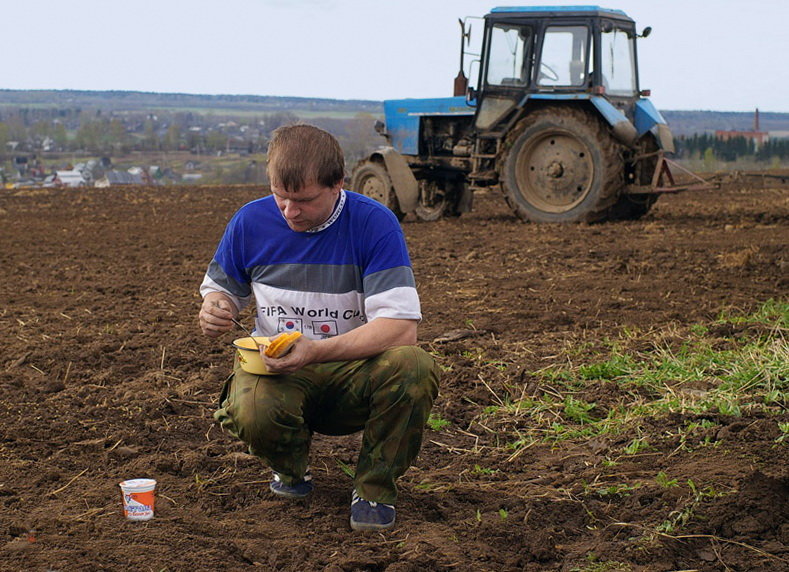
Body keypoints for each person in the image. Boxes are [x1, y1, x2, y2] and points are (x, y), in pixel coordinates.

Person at [198, 124, 440, 531]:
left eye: (304, 201)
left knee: (413, 366)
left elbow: (401, 328)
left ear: (338, 185)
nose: (290, 212)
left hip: (353, 372)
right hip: (278, 373)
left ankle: (374, 488)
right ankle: (290, 469)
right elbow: (221, 293)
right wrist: (214, 307)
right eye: (281, 197)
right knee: (251, 406)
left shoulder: (373, 224)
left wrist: (315, 350)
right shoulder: (250, 222)